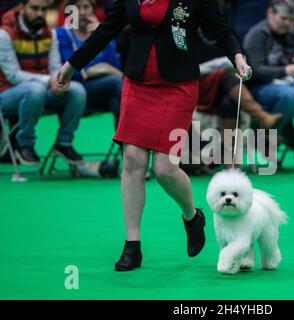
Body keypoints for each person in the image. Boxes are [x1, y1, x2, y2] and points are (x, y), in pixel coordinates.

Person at [57, 0, 251, 271]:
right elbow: (106, 30)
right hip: (138, 85)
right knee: (133, 160)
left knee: (164, 168)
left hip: (178, 86)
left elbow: (220, 31)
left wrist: (238, 57)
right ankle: (132, 246)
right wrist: (72, 64)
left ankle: (192, 216)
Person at [0, 0, 86, 165]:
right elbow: (13, 75)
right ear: (21, 8)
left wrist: (58, 81)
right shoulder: (4, 34)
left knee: (77, 90)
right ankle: (23, 144)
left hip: (39, 91)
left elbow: (54, 66)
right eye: (34, 8)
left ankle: (64, 143)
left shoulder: (50, 33)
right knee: (35, 89)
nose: (40, 13)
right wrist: (49, 80)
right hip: (6, 94)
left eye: (43, 9)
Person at [243, 0, 294, 165]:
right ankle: (272, 137)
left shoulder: (293, 33)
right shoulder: (257, 35)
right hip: (261, 87)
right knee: (291, 96)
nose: (287, 23)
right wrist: (285, 71)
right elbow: (254, 71)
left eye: (291, 19)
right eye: (283, 18)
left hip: (291, 84)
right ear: (270, 13)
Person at [56, 0, 122, 128]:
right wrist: (97, 70)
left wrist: (103, 37)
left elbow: (115, 65)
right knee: (117, 84)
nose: (82, 12)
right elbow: (68, 71)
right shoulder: (63, 34)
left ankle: (124, 144)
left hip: (105, 89)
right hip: (78, 88)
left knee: (116, 100)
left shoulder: (102, 32)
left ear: (93, 9)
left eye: (86, 7)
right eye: (77, 8)